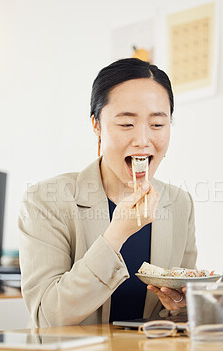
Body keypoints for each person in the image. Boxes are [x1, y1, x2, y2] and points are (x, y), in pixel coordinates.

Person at [19, 58, 197, 328]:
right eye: (126, 124)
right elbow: (47, 316)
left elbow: (182, 312)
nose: (143, 140)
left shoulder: (179, 203)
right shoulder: (45, 200)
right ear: (97, 126)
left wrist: (180, 307)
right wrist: (117, 234)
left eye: (157, 125)